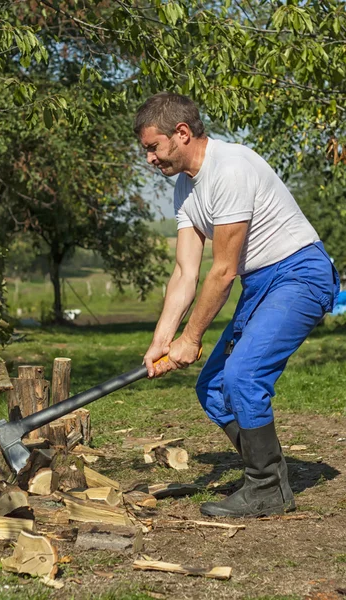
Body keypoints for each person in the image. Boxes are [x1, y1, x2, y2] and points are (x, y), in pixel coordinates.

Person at [134, 92, 340, 518]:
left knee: (243, 375)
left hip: (299, 273)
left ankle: (266, 488)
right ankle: (269, 477)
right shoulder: (186, 188)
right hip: (261, 281)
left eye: (153, 147)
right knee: (212, 387)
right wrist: (162, 340)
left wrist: (191, 338)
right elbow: (184, 273)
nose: (149, 159)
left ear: (182, 133)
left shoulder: (229, 168)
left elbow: (222, 271)